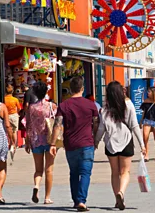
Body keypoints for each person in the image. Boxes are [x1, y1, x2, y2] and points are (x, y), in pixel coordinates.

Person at [49, 76, 99, 212]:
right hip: (87, 143)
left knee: (74, 172)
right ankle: (82, 200)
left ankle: (76, 201)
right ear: (82, 89)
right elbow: (96, 123)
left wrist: (53, 144)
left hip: (70, 144)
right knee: (85, 173)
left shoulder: (64, 105)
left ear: (70, 90)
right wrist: (95, 139)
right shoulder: (90, 105)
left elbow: (57, 125)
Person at [95, 81, 146, 211]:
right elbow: (134, 125)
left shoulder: (104, 110)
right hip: (126, 141)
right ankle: (121, 193)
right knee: (125, 171)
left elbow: (101, 128)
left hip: (110, 143)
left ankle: (117, 199)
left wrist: (95, 142)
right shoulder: (128, 105)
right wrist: (142, 144)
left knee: (114, 172)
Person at [25, 82, 58, 205]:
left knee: (38, 170)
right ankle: (47, 197)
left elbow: (28, 125)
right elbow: (57, 123)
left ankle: (36, 186)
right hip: (49, 140)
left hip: (35, 139)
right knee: (49, 169)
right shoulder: (52, 106)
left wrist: (27, 141)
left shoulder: (31, 108)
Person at [140, 87, 155, 162]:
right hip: (147, 120)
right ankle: (146, 155)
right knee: (145, 138)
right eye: (148, 91)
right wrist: (141, 121)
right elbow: (144, 112)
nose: (148, 93)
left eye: (149, 92)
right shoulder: (146, 101)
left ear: (153, 93)